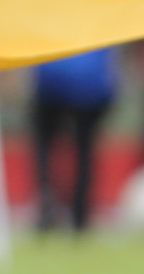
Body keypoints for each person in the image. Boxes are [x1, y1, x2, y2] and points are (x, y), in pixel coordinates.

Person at [28, 48, 117, 232]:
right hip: (90, 78)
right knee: (84, 151)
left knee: (46, 147)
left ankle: (47, 202)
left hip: (51, 74)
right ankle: (79, 216)